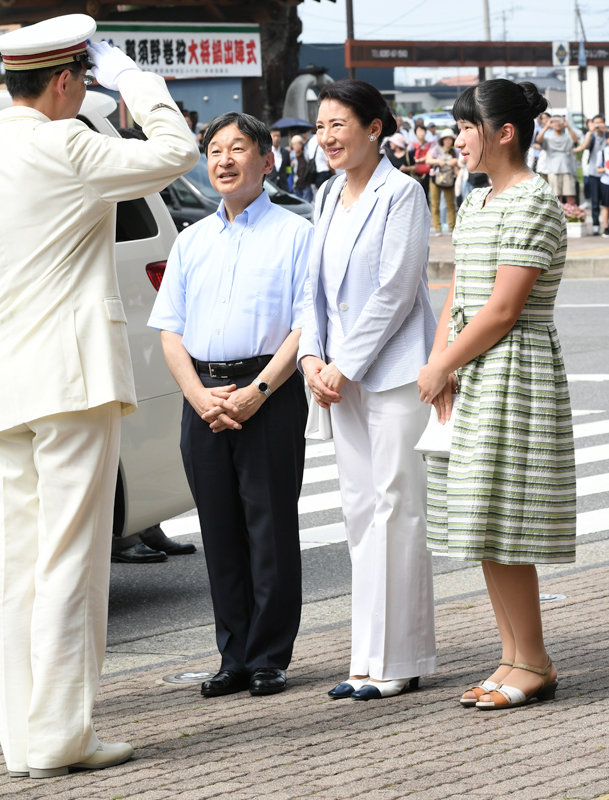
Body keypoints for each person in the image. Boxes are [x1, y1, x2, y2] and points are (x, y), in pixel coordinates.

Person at [0, 17, 199, 779]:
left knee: (18, 562)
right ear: (63, 81)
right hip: (69, 378)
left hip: (8, 381)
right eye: (81, 78)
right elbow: (176, 153)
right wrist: (136, 81)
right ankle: (60, 736)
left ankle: (23, 738)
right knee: (71, 562)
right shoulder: (64, 144)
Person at [418, 79, 575, 711]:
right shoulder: (479, 202)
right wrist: (439, 360)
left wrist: (444, 363)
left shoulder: (535, 202)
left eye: (465, 130)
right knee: (481, 521)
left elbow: (505, 308)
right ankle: (513, 655)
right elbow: (459, 289)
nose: (456, 143)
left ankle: (532, 659)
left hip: (513, 368)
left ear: (503, 133)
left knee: (503, 519)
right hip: (473, 369)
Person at [148, 111, 312, 699]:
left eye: (237, 148)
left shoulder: (296, 234)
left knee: (268, 527)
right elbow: (170, 329)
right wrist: (199, 396)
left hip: (268, 390)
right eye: (214, 149)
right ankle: (232, 655)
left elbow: (305, 325)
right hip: (204, 395)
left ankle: (269, 655)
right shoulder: (190, 240)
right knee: (218, 529)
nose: (222, 159)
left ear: (266, 161)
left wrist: (257, 392)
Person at [299, 79, 436, 701]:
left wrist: (344, 365)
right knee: (359, 509)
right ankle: (365, 657)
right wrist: (309, 356)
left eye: (337, 125)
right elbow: (311, 288)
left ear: (373, 128)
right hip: (335, 376)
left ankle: (400, 658)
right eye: (320, 126)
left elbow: (396, 289)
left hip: (394, 371)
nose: (325, 137)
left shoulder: (402, 192)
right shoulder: (326, 195)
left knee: (396, 506)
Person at [536, 115, 579, 204]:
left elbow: (575, 141)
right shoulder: (548, 138)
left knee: (570, 197)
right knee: (555, 197)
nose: (557, 124)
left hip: (567, 169)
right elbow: (538, 139)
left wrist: (568, 126)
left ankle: (571, 216)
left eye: (559, 121)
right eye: (554, 121)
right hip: (553, 170)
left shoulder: (567, 137)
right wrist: (547, 126)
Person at [576, 114, 607, 233]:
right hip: (594, 173)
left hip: (607, 174)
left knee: (606, 202)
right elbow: (584, 146)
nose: (598, 125)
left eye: (600, 123)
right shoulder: (591, 136)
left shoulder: (607, 134)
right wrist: (590, 131)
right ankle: (595, 225)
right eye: (596, 123)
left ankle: (606, 226)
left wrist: (606, 131)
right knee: (595, 201)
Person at [426, 128, 459, 235]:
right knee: (435, 204)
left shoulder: (454, 152)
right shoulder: (436, 148)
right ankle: (437, 228)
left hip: (449, 179)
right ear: (442, 140)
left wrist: (456, 162)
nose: (448, 141)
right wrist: (438, 161)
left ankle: (451, 227)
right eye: (446, 139)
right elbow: (428, 160)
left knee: (450, 204)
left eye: (450, 139)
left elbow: (460, 165)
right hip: (436, 178)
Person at [411, 124, 433, 200]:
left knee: (426, 195)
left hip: (427, 173)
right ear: (415, 133)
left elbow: (431, 155)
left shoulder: (430, 145)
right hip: (414, 173)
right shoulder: (412, 145)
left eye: (422, 131)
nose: (421, 133)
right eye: (419, 131)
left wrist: (419, 160)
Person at [291, 134, 314, 202]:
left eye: (298, 144)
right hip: (297, 185)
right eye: (294, 144)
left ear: (301, 144)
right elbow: (288, 171)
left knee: (307, 204)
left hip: (307, 184)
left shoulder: (307, 154)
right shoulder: (291, 156)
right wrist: (290, 167)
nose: (296, 146)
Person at [594, 132, 609, 237]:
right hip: (606, 181)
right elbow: (598, 169)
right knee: (606, 206)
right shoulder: (603, 152)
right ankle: (606, 227)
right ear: (606, 140)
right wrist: (606, 169)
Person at [269, 126, 290, 191]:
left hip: (283, 185)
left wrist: (284, 176)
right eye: (274, 136)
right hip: (270, 184)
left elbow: (288, 168)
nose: (276, 138)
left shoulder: (285, 152)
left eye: (278, 136)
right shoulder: (266, 152)